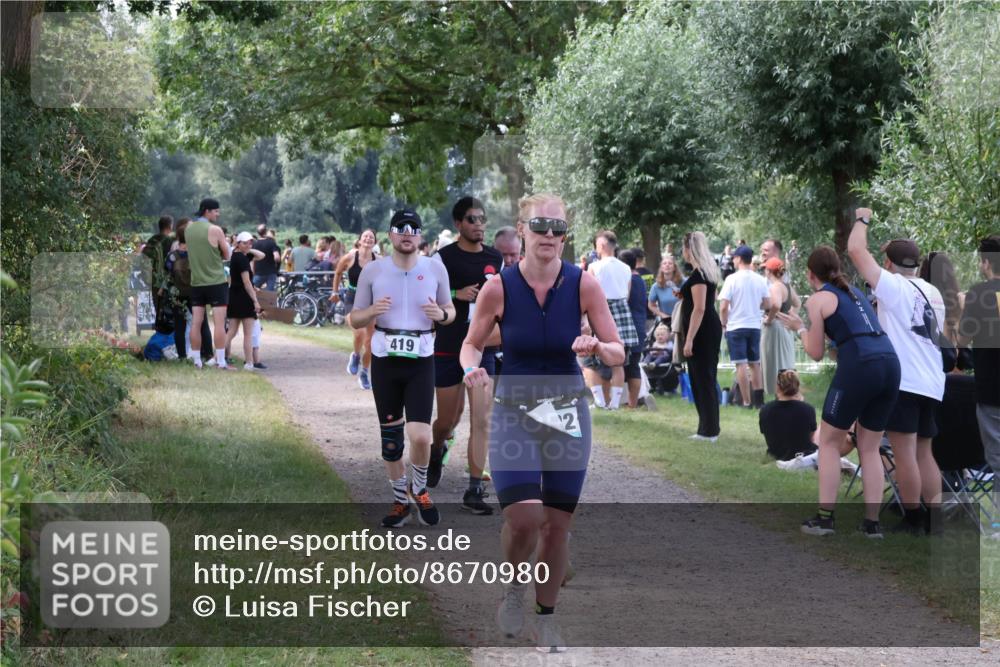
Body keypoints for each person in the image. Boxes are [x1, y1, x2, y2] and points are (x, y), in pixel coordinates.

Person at [460, 193, 624, 653]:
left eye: (558, 228)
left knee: (556, 525)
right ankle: (514, 590)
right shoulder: (500, 287)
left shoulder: (583, 284)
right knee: (524, 518)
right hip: (515, 405)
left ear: (565, 235)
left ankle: (546, 617)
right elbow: (471, 345)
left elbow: (617, 350)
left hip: (567, 410)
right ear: (523, 229)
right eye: (540, 226)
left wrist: (597, 348)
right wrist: (471, 367)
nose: (549, 235)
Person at [778, 245, 900, 538]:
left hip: (861, 366)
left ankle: (825, 519)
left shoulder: (818, 299)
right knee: (870, 448)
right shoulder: (854, 292)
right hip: (890, 364)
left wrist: (799, 327)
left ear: (810, 274)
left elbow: (816, 352)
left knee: (830, 443)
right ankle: (872, 525)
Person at [349, 209, 455, 529]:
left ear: (420, 235)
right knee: (392, 441)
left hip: (421, 359)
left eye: (413, 229)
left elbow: (450, 310)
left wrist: (441, 314)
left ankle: (419, 489)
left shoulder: (435, 268)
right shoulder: (373, 271)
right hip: (385, 360)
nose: (407, 234)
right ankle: (400, 500)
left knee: (420, 436)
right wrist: (371, 311)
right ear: (391, 234)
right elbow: (354, 319)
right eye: (400, 228)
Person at [848, 209, 946, 535]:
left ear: (889, 264)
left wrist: (862, 219)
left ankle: (914, 518)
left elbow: (856, 251)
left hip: (905, 381)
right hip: (933, 382)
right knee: (925, 452)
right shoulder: (933, 292)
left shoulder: (894, 287)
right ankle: (935, 519)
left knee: (904, 454)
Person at [425, 197, 502, 515]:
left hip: (482, 349)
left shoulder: (494, 259)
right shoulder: (441, 259)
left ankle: (474, 490)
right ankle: (436, 448)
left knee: (482, 419)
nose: (479, 225)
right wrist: (456, 295)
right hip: (447, 348)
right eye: (472, 219)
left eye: (483, 219)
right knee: (447, 420)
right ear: (458, 224)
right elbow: (425, 301)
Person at [956, 234, 1000, 529]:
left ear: (986, 263)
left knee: (997, 457)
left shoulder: (979, 294)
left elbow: (962, 338)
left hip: (992, 389)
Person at [587, 230, 638, 410]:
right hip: (623, 310)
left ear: (601, 245)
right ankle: (615, 403)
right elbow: (628, 293)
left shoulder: (594, 267)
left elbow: (589, 294)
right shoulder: (626, 268)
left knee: (591, 359)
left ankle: (600, 401)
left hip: (601, 311)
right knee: (618, 361)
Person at [680, 232, 723, 441]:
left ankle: (709, 430)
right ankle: (706, 427)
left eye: (683, 248)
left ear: (689, 249)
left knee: (703, 379)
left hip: (702, 331)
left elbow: (699, 308)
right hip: (708, 328)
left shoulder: (699, 276)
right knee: (702, 379)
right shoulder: (705, 273)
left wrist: (689, 339)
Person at [719, 245, 772, 408]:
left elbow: (723, 306)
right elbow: (767, 303)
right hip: (754, 325)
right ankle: (759, 401)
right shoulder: (760, 279)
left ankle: (746, 401)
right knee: (755, 364)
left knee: (740, 364)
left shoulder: (731, 279)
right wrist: (754, 306)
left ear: (739, 259)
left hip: (736, 326)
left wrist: (723, 322)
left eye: (734, 257)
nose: (733, 260)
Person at [187, 198, 231, 369]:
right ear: (207, 211)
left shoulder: (189, 229)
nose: (218, 214)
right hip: (216, 281)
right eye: (216, 211)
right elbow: (227, 255)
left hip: (197, 282)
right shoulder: (215, 230)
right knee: (220, 323)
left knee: (196, 322)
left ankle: (197, 360)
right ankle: (220, 360)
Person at [330, 230, 378, 389]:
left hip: (370, 300)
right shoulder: (350, 257)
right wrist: (335, 292)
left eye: (371, 237)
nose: (368, 239)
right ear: (359, 240)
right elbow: (337, 273)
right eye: (365, 236)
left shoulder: (379, 260)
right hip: (353, 297)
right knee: (359, 333)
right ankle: (356, 355)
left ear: (374, 242)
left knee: (370, 342)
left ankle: (364, 373)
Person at [760, 369, 819, 465]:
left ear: (778, 387)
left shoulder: (765, 409)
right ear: (797, 386)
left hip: (776, 455)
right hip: (803, 457)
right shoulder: (808, 409)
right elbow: (810, 438)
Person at [761, 257, 800, 397]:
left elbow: (776, 304)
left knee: (776, 361)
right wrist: (790, 317)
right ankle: (788, 390)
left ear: (769, 271)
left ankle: (779, 392)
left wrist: (769, 319)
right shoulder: (787, 287)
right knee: (785, 359)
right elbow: (798, 303)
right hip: (785, 327)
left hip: (775, 328)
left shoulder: (775, 286)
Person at [225, 232, 264, 370]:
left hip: (234, 296)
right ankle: (249, 362)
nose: (248, 245)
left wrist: (248, 249)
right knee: (247, 333)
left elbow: (261, 255)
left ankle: (217, 356)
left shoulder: (237, 256)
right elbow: (247, 283)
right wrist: (255, 301)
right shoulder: (242, 259)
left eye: (250, 243)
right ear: (238, 243)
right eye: (245, 243)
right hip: (244, 297)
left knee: (231, 331)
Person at [619, 249, 650, 409]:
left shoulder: (626, 280)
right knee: (634, 366)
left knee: (619, 364)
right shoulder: (641, 280)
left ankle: (617, 401)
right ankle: (632, 403)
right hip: (640, 325)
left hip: (626, 327)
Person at [142, 215, 175, 326]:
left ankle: (158, 332)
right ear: (170, 226)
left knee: (157, 308)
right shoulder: (168, 241)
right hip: (164, 281)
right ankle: (165, 336)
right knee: (167, 309)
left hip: (152, 278)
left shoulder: (152, 239)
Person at [648, 256, 683, 327]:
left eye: (670, 263)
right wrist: (663, 315)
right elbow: (651, 305)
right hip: (667, 322)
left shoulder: (684, 282)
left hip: (683, 319)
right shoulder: (656, 286)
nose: (667, 265)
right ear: (661, 268)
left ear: (674, 268)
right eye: (664, 263)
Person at [251, 224, 281, 292]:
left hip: (258, 272)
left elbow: (251, 260)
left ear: (257, 233)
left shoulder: (255, 244)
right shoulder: (271, 243)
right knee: (269, 294)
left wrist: (252, 272)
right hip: (271, 272)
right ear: (266, 232)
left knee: (252, 291)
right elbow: (277, 257)